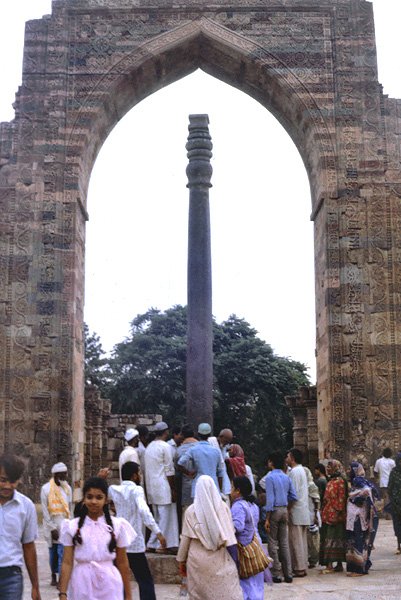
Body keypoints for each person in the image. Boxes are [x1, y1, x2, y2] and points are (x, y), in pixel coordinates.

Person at [58, 476, 135, 600]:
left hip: (109, 584)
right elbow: (67, 562)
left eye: (99, 497)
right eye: (89, 497)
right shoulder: (72, 526)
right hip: (81, 582)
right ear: (84, 499)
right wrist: (63, 593)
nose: (94, 501)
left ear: (106, 500)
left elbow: (122, 562)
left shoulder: (117, 526)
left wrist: (128, 595)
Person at [176, 475, 243, 600]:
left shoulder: (191, 511)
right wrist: (236, 561)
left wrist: (181, 560)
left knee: (199, 593)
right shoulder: (223, 507)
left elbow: (185, 539)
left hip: (197, 560)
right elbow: (230, 537)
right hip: (220, 557)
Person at [109, 462, 166, 600]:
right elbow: (144, 511)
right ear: (134, 475)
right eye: (138, 473)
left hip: (119, 540)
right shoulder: (136, 490)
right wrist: (157, 532)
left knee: (119, 577)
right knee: (144, 578)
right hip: (134, 542)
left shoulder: (113, 489)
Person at [0, 454, 41, 600]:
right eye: (3, 480)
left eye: (13, 481)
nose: (7, 486)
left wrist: (35, 586)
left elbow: (29, 546)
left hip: (11, 577)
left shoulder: (26, 506)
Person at [231, 475, 272, 599]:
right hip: (256, 544)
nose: (230, 490)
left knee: (246, 580)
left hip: (245, 547)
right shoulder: (252, 504)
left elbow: (238, 526)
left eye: (232, 488)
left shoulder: (238, 506)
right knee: (256, 581)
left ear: (238, 490)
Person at [144, 421, 179, 552]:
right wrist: (173, 488)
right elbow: (169, 470)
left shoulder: (149, 447)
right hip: (163, 486)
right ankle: (161, 545)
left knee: (157, 517)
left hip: (152, 487)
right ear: (166, 432)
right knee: (164, 517)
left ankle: (152, 543)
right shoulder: (165, 447)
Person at [264, 451, 296, 583]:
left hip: (275, 511)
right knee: (284, 543)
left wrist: (267, 518)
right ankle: (288, 573)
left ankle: (276, 573)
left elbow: (270, 500)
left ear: (271, 462)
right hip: (284, 510)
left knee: (272, 542)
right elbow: (293, 496)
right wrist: (287, 508)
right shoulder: (286, 477)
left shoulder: (270, 478)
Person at [40, 462, 72, 587]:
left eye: (66, 473)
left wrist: (70, 525)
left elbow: (69, 508)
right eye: (63, 474)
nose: (65, 476)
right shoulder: (45, 489)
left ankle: (61, 579)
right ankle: (53, 574)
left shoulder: (67, 488)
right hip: (51, 526)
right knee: (53, 554)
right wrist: (52, 528)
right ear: (56, 475)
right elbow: (45, 511)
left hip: (64, 525)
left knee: (62, 553)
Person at [346, 462, 379, 576]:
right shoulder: (358, 481)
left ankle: (359, 569)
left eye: (349, 469)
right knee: (357, 540)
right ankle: (359, 567)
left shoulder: (358, 481)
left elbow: (367, 492)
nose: (347, 471)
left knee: (358, 540)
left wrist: (354, 499)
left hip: (359, 516)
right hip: (357, 516)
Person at [177, 423, 223, 497]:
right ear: (209, 434)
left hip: (198, 486)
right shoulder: (216, 451)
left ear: (198, 434)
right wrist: (219, 490)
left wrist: (188, 473)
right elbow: (220, 473)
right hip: (213, 487)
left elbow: (180, 463)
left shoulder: (193, 450)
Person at [319, 459, 348, 573]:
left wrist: (336, 511)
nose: (328, 469)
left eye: (330, 467)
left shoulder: (340, 481)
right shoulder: (331, 480)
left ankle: (332, 565)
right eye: (327, 467)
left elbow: (341, 498)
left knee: (334, 539)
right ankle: (335, 564)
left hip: (335, 516)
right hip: (328, 514)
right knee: (330, 538)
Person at [286, 448, 310, 577]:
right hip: (303, 509)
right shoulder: (302, 470)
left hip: (296, 510)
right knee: (301, 540)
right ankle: (302, 565)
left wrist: (288, 508)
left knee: (296, 540)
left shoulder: (295, 472)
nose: (286, 459)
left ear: (293, 458)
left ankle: (299, 568)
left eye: (288, 456)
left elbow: (293, 494)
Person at [175, 424, 198, 517]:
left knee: (187, 513)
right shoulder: (201, 448)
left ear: (183, 436)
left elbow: (177, 466)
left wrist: (187, 472)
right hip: (200, 486)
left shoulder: (179, 450)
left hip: (186, 487)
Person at [304, 466, 320, 569]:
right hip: (307, 513)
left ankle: (314, 559)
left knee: (313, 538)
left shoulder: (311, 485)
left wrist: (315, 514)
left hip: (311, 514)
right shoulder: (304, 485)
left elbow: (316, 501)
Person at [374, 448, 395, 518]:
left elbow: (375, 472)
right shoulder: (392, 462)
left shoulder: (378, 461)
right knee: (391, 497)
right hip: (392, 482)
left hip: (383, 482)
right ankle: (390, 514)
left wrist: (377, 479)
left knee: (386, 497)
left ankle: (387, 514)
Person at [388, 451, 401, 554]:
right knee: (397, 525)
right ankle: (399, 545)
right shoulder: (393, 472)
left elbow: (390, 488)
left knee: (397, 524)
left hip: (396, 502)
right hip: (396, 503)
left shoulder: (394, 472)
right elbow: (390, 487)